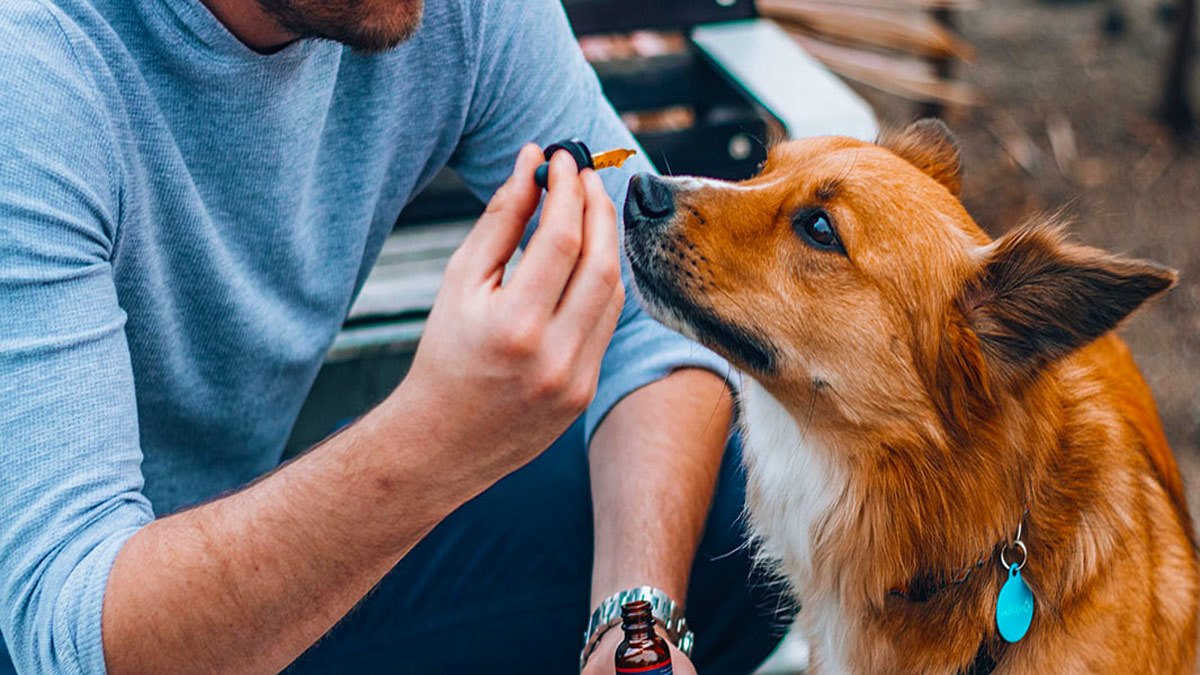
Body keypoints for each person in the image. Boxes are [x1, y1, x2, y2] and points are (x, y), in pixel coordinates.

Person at [0, 0, 789, 672]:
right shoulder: (33, 64)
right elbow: (59, 635)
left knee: (739, 506)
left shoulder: (454, 14)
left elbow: (648, 326)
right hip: (65, 623)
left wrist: (633, 623)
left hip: (250, 572)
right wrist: (436, 437)